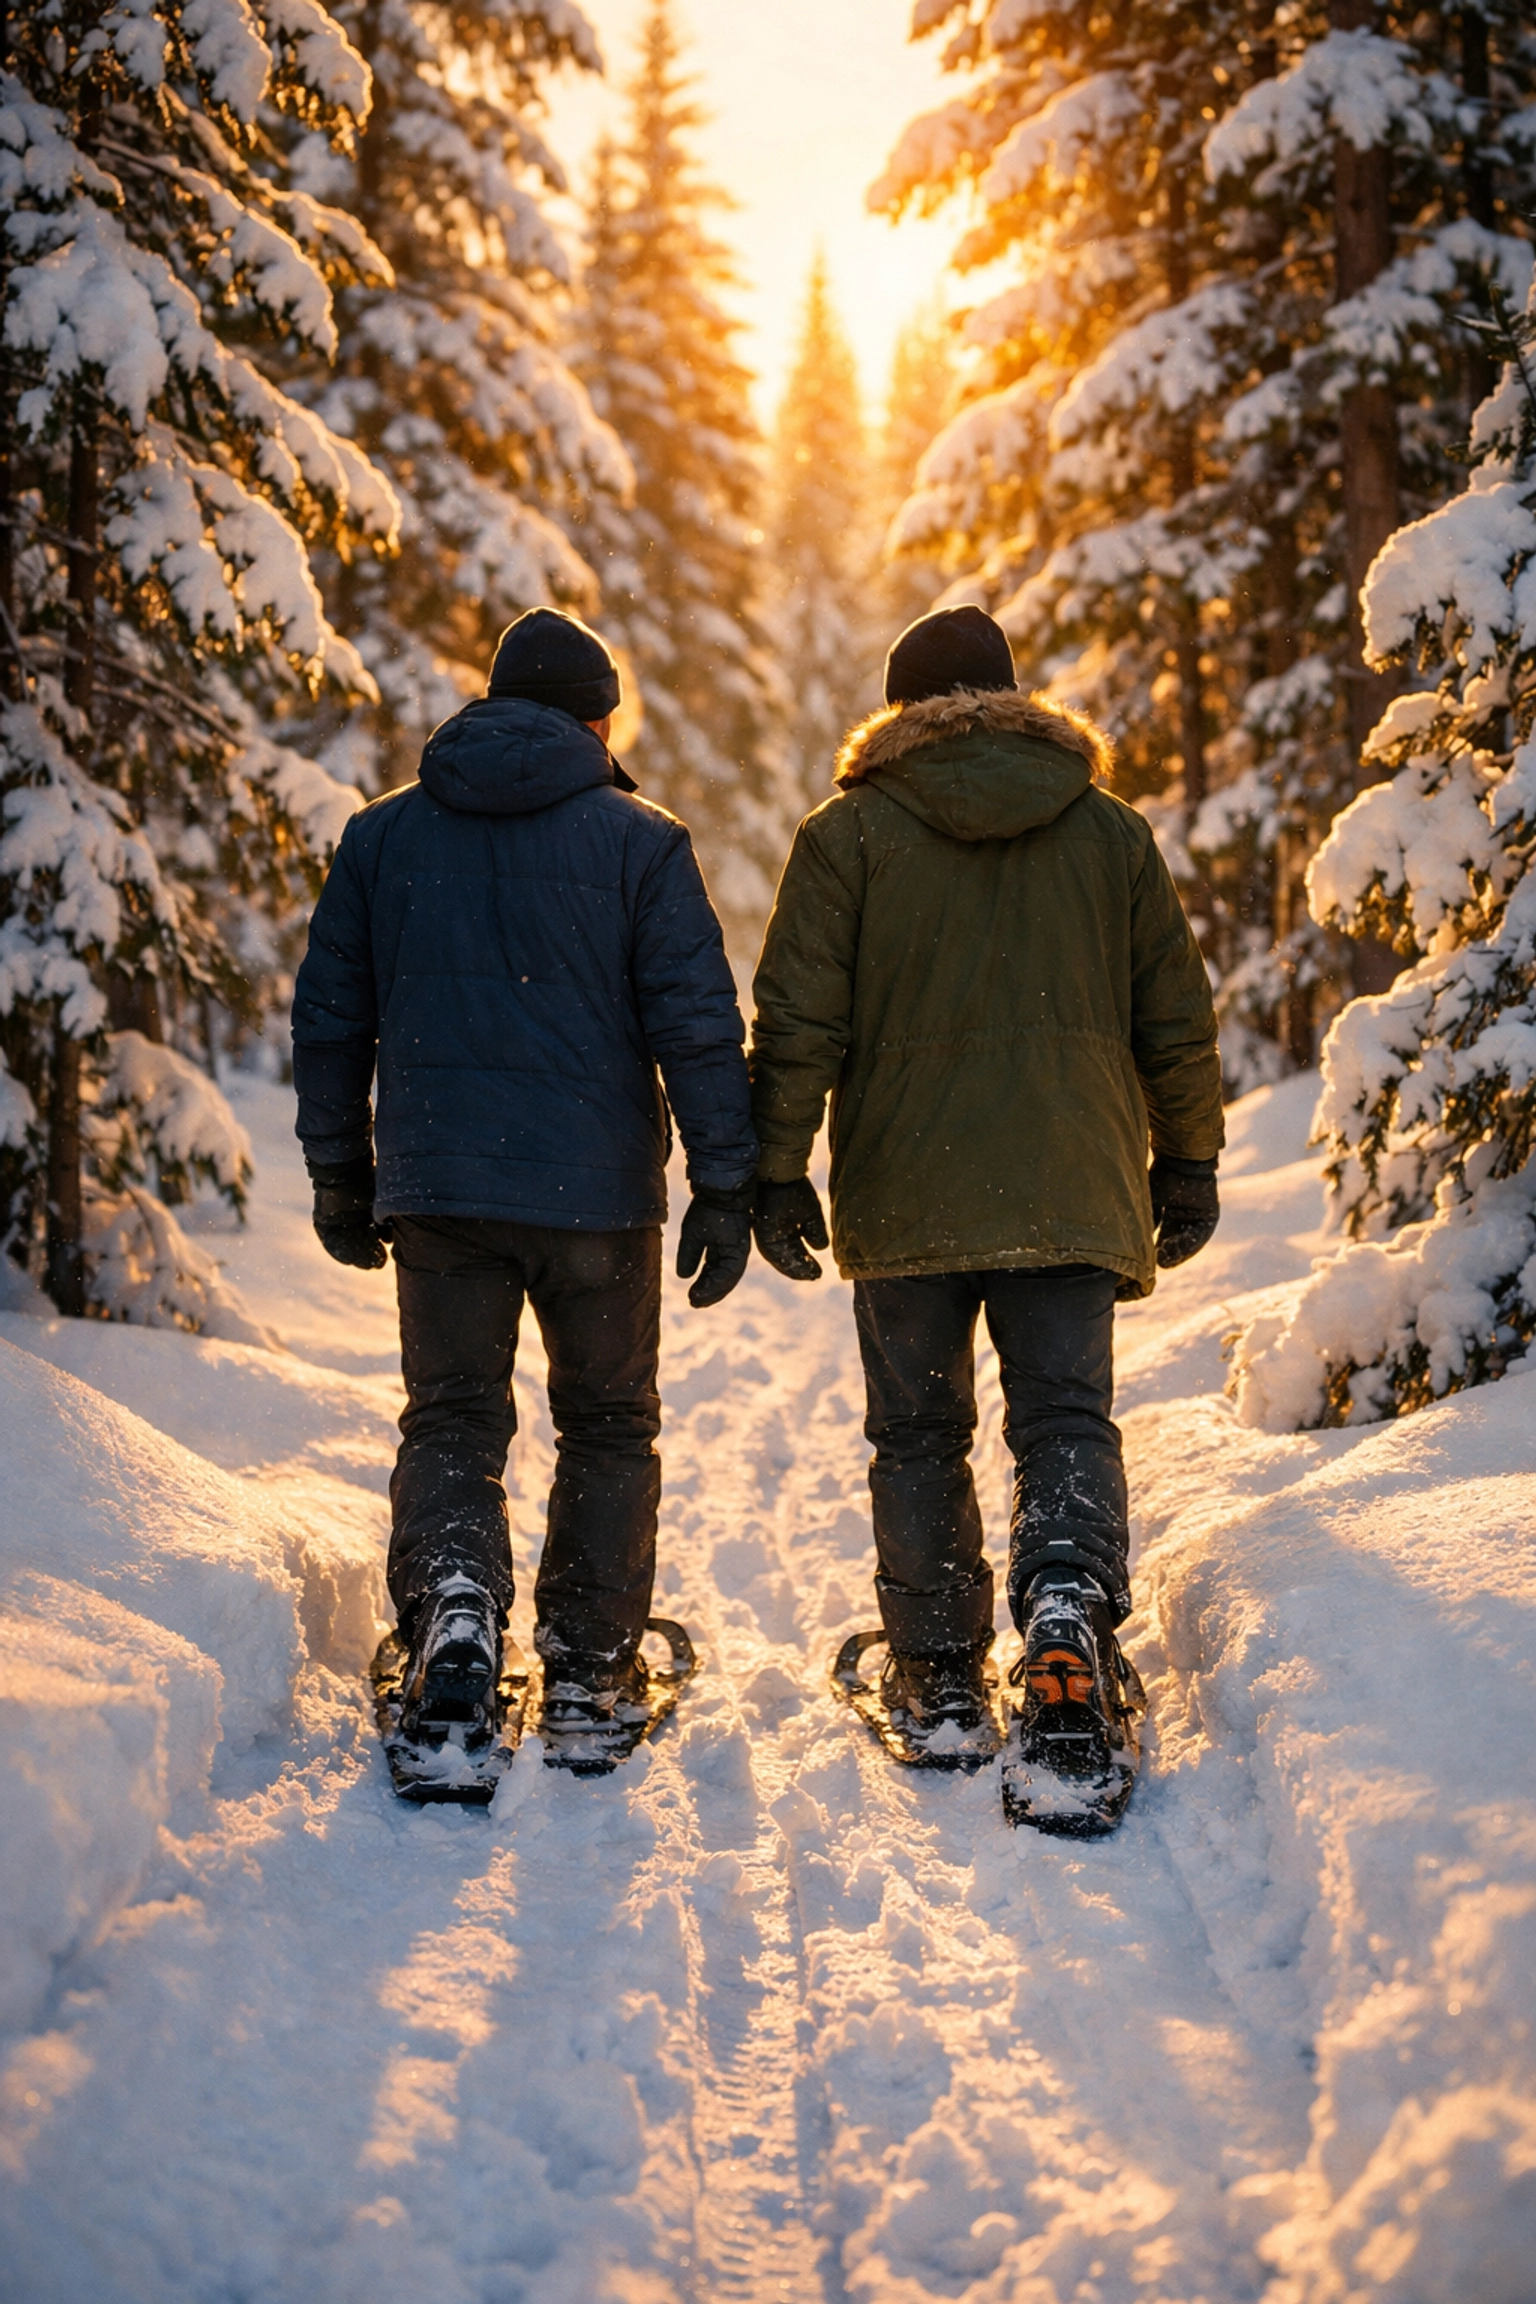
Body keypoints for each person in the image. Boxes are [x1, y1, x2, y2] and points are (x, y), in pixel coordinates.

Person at [747, 604, 1223, 1772]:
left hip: (910, 1196)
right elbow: (1174, 1011)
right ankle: (1065, 1618)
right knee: (1062, 1420)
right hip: (1069, 1182)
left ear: (900, 711)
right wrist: (1190, 1154)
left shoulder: (847, 835)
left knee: (919, 1435)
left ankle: (939, 1671)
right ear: (1015, 701)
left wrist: (772, 1167)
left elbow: (799, 1020)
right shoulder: (1108, 832)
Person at [292, 608, 756, 1752]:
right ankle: (592, 1669)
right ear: (599, 721)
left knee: (453, 1419)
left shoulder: (381, 838)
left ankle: (455, 1617)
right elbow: (696, 1025)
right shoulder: (642, 841)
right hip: (597, 1198)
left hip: (440, 1188)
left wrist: (340, 1173)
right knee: (604, 1422)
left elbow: (330, 1021)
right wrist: (727, 1181)